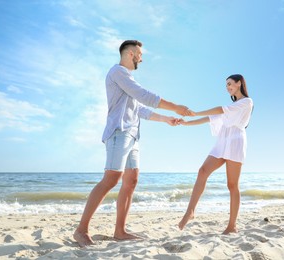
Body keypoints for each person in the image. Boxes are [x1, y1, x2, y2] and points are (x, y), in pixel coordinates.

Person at [74, 40, 192, 247]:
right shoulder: (118, 72)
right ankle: (81, 230)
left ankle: (120, 230)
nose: (141, 58)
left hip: (132, 135)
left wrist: (167, 119)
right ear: (130, 53)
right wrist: (175, 107)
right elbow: (144, 96)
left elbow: (141, 110)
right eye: (139, 54)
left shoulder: (127, 78)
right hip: (119, 133)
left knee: (131, 180)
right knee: (111, 179)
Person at [178, 74, 253, 234]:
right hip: (222, 141)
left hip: (235, 142)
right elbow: (209, 118)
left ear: (239, 83)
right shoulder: (230, 108)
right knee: (202, 171)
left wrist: (195, 112)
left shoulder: (247, 102)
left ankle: (232, 226)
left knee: (232, 185)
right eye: (226, 85)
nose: (228, 88)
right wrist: (186, 123)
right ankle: (190, 212)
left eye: (230, 84)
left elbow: (219, 109)